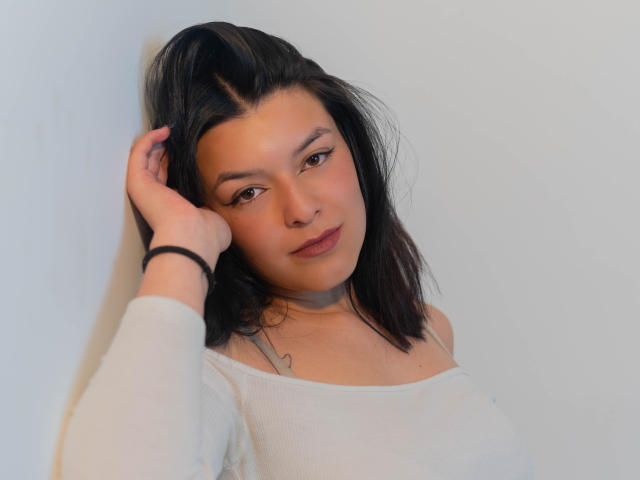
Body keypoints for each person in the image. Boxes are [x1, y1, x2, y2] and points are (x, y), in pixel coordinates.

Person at [61, 21, 534, 479]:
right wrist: (183, 242)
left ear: (354, 147)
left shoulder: (428, 327)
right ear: (210, 212)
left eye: (315, 158)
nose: (302, 210)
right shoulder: (218, 376)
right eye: (248, 193)